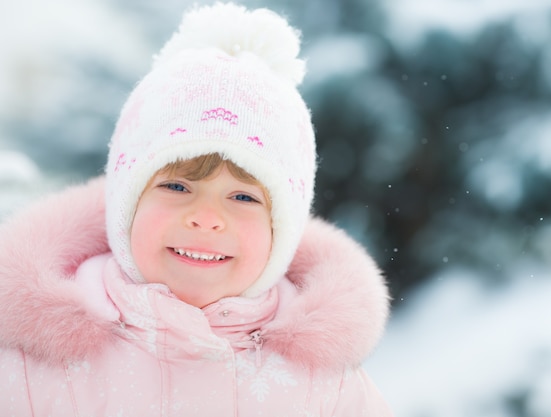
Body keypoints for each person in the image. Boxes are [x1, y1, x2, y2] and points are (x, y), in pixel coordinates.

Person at [0, 3, 392, 416]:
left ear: (283, 229)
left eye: (243, 197)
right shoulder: (31, 367)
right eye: (176, 185)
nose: (206, 217)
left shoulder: (324, 387)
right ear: (125, 204)